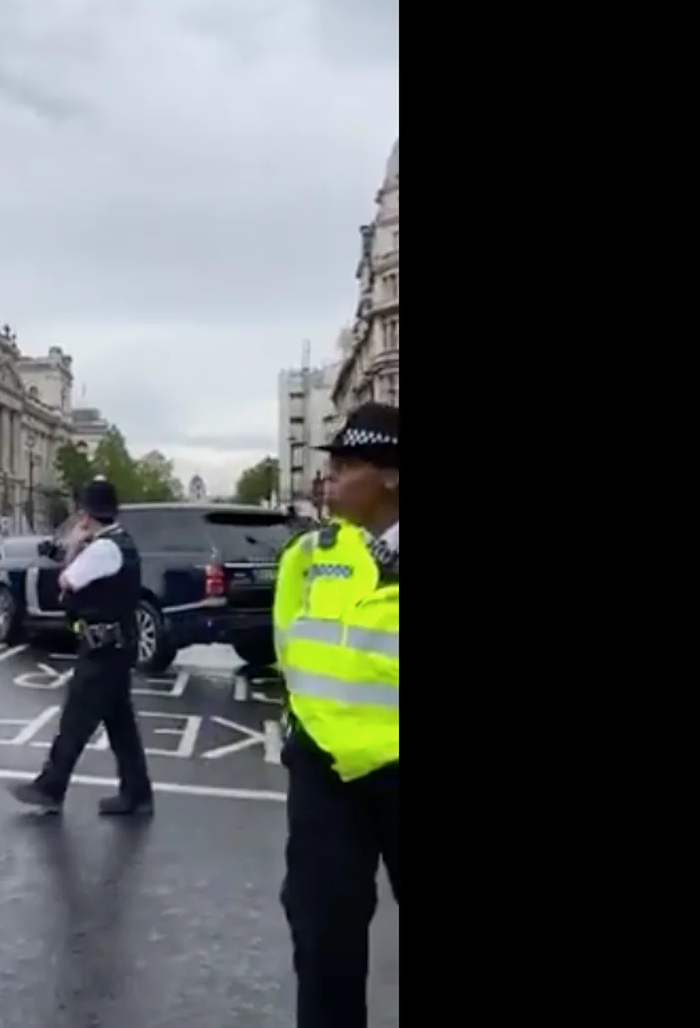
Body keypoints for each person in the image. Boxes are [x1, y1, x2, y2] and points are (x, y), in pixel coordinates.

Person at [272, 402, 401, 1028]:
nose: (330, 479)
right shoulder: (312, 552)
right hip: (325, 772)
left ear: (391, 476)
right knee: (323, 936)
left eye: (347, 465)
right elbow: (286, 642)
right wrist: (300, 731)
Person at [10, 478, 154, 817]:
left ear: (87, 514)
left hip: (103, 648)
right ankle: (137, 793)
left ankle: (50, 787)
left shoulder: (103, 549)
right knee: (121, 725)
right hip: (118, 645)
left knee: (75, 720)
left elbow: (66, 581)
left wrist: (74, 546)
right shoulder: (123, 542)